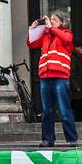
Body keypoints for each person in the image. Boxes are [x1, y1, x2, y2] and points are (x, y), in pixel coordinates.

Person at [27, 11, 77, 147]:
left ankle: (72, 139)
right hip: (45, 77)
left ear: (62, 22)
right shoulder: (45, 36)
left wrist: (51, 28)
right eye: (51, 20)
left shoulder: (66, 33)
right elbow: (31, 44)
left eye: (55, 19)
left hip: (60, 77)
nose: (52, 21)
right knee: (47, 111)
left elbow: (67, 40)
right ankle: (48, 139)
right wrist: (33, 28)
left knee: (64, 109)